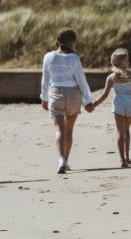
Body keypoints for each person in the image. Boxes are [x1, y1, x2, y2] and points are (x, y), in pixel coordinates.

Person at [40, 29, 94, 174]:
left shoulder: (48, 57)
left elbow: (45, 80)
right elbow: (81, 80)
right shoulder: (74, 58)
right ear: (72, 42)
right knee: (69, 130)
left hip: (56, 93)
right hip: (73, 95)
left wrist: (44, 98)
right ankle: (66, 160)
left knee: (59, 129)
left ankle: (61, 160)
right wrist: (87, 100)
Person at [89, 48, 131, 167]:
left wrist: (93, 105)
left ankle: (122, 159)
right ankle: (127, 157)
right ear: (120, 62)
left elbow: (104, 96)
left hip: (118, 103)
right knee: (127, 130)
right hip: (130, 103)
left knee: (120, 132)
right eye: (126, 60)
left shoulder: (111, 77)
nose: (128, 61)